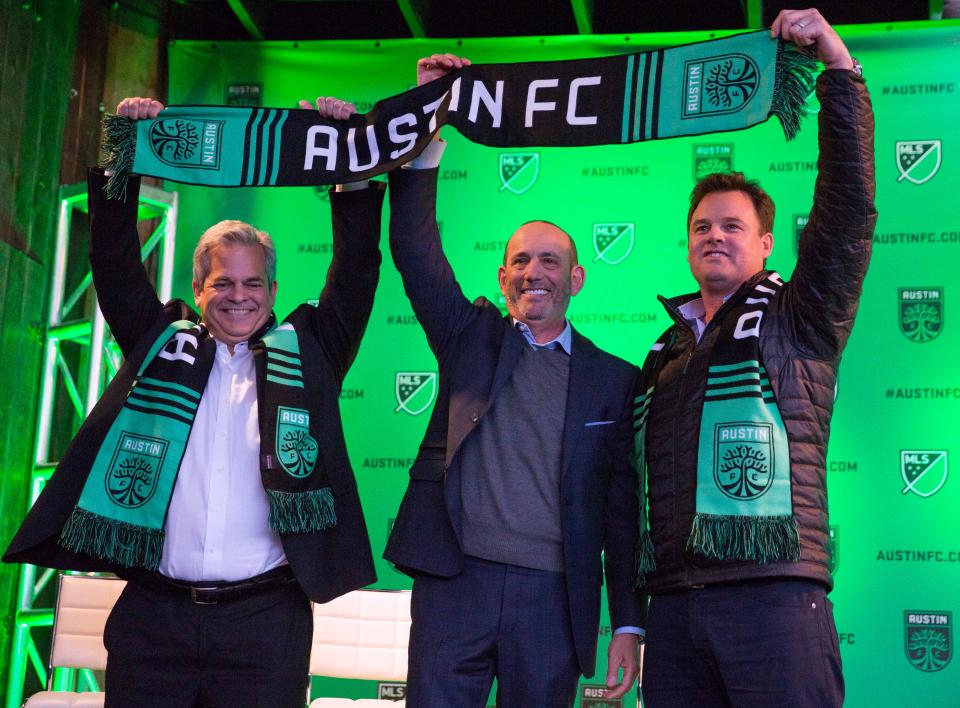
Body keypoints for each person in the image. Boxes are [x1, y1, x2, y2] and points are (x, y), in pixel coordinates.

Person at [3, 97, 384, 707]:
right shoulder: (160, 348)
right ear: (197, 288)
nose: (239, 297)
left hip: (264, 626)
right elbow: (114, 262)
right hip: (155, 622)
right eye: (223, 283)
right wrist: (122, 145)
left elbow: (359, 269)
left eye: (252, 283)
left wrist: (350, 161)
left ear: (274, 290)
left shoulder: (310, 354)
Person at [309, 53, 645, 707]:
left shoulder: (614, 379)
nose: (533, 272)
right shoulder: (472, 338)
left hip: (552, 596)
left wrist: (628, 618)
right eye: (520, 260)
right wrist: (428, 126)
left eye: (551, 262)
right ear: (503, 278)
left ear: (576, 280)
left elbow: (618, 511)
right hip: (454, 582)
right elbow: (414, 250)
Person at [634, 9, 876, 707]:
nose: (715, 235)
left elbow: (850, 208)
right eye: (702, 226)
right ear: (686, 243)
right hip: (676, 607)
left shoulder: (801, 314)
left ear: (767, 244)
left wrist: (837, 70)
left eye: (733, 225)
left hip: (772, 596)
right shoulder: (663, 353)